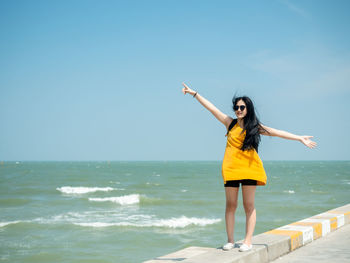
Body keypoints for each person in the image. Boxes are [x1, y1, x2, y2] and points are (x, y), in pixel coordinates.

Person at [181, 82, 317, 252]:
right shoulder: (230, 124)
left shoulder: (255, 128)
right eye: (236, 107)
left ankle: (247, 241)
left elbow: (278, 132)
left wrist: (299, 138)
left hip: (249, 169)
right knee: (230, 205)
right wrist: (195, 94)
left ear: (248, 109)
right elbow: (212, 108)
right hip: (230, 169)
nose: (238, 110)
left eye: (242, 107)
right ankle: (230, 241)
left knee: (248, 205)